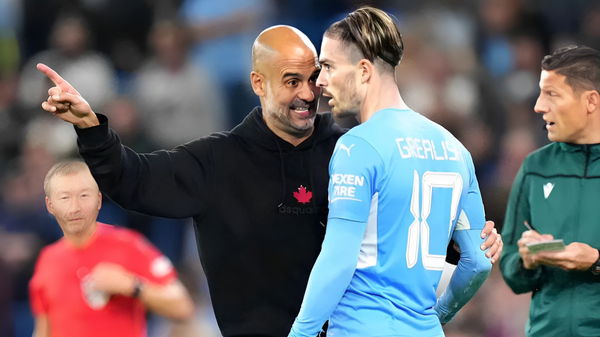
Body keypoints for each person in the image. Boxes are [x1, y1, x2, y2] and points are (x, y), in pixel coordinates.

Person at [36, 25, 502, 337]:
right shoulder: (215, 161)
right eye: (291, 81)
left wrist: (463, 245)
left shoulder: (354, 149)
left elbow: (405, 230)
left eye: (314, 78)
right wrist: (90, 128)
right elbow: (131, 178)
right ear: (258, 83)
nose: (307, 94)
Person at [289, 7, 492, 337]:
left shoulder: (359, 147)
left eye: (328, 66)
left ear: (364, 70)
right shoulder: (455, 149)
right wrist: (438, 315)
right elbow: (478, 262)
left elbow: (339, 259)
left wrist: (301, 332)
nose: (320, 81)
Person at [499, 45, 600, 337]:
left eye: (552, 94)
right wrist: (526, 260)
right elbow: (511, 268)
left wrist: (595, 262)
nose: (539, 106)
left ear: (590, 101)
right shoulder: (535, 167)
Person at [29, 160, 194, 337]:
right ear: (50, 205)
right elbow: (43, 330)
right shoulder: (48, 259)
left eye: (84, 196)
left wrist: (132, 286)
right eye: (65, 197)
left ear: (98, 200)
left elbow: (183, 307)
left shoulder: (128, 244)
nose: (75, 208)